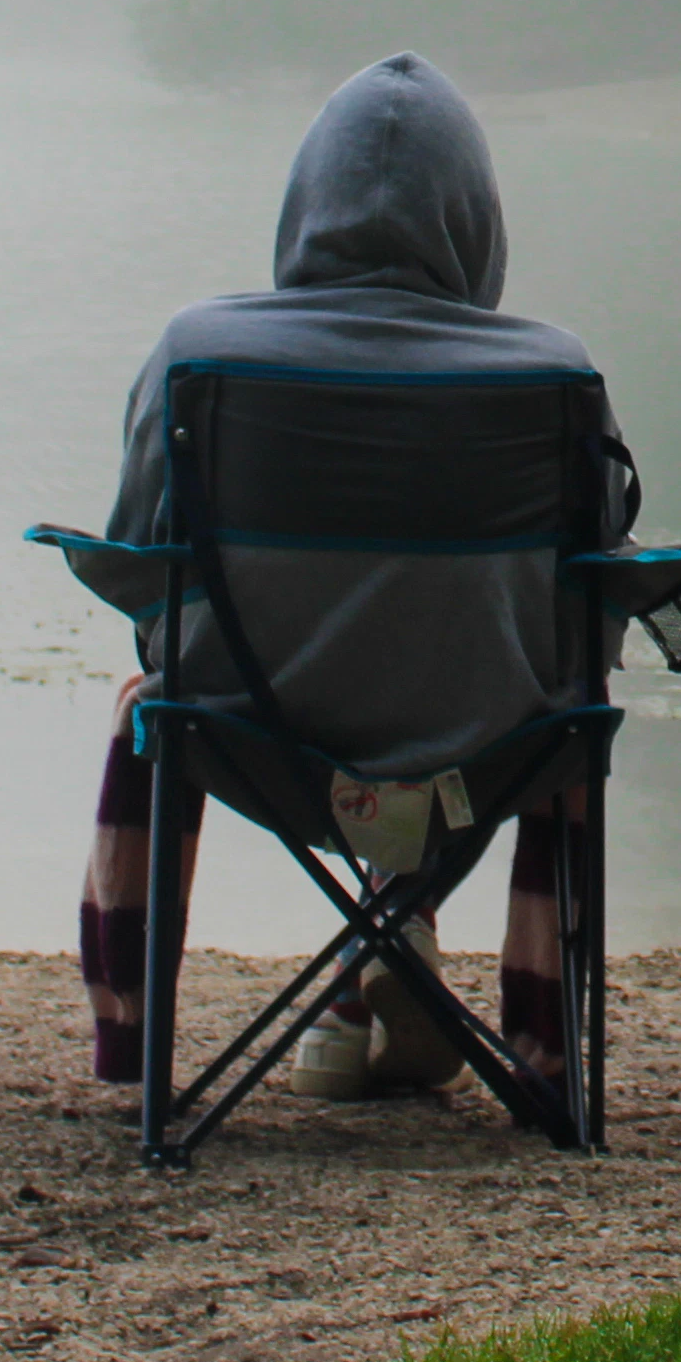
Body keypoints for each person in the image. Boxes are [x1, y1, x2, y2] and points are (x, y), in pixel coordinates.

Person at [72, 53, 624, 1103]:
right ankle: (514, 1035)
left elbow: (143, 562)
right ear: (477, 220)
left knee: (155, 700)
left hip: (253, 736)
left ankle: (143, 1049)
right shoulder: (557, 372)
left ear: (302, 207)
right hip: (491, 746)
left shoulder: (198, 354)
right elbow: (591, 599)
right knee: (572, 711)